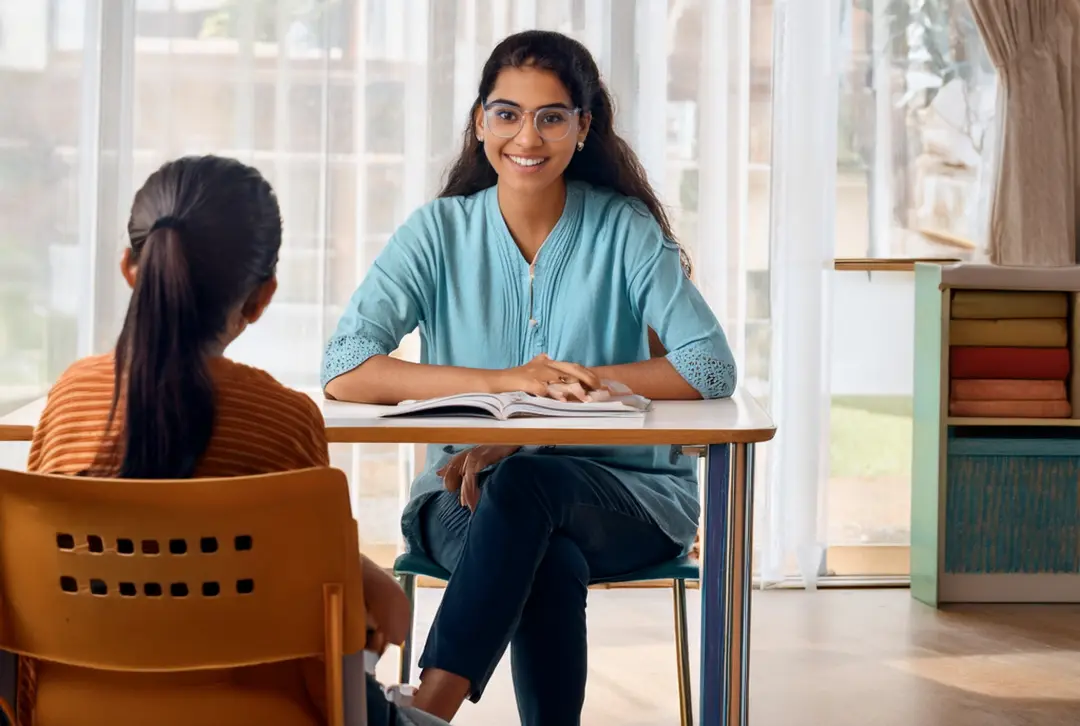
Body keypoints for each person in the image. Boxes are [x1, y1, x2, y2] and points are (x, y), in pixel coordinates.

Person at [322, 30, 737, 726]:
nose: (528, 135)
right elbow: (345, 369)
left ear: (583, 127)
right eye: (507, 112)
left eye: (552, 116)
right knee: (547, 559)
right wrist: (508, 384)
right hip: (461, 499)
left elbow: (709, 365)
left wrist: (579, 383)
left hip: (631, 500)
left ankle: (427, 710)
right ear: (481, 121)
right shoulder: (438, 233)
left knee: (528, 482)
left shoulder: (625, 229)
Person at [24, 155, 446, 726]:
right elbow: (332, 642)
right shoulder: (284, 421)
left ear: (130, 267)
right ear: (261, 296)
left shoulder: (71, 400)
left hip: (71, 711)